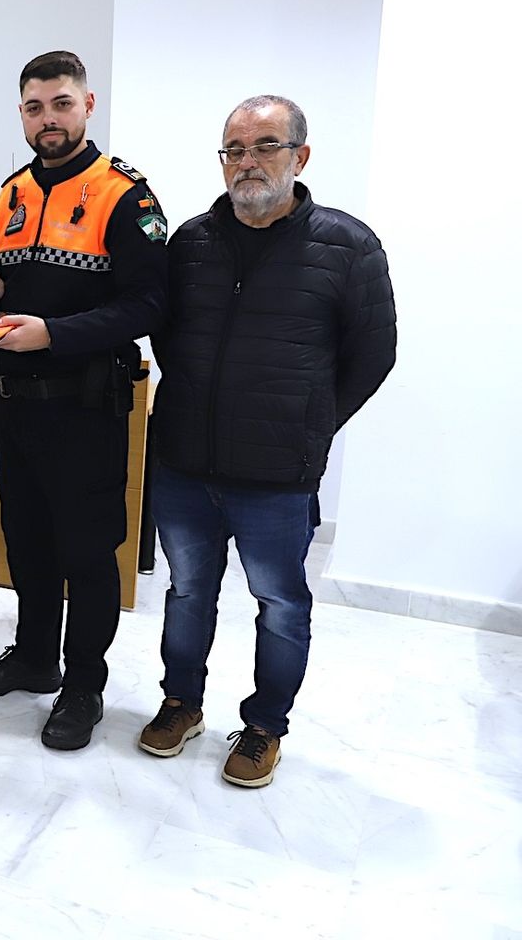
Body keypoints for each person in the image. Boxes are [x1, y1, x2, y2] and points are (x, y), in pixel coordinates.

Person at [138, 95, 395, 787]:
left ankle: (263, 727)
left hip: (278, 475)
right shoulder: (189, 243)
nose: (247, 162)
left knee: (280, 605)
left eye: (265, 146)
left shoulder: (348, 246)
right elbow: (170, 339)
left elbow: (372, 355)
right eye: (234, 149)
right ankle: (180, 702)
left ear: (300, 156)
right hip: (186, 462)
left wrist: (310, 422)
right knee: (188, 592)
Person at [0, 50, 167, 752]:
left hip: (85, 409)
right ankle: (34, 658)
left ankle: (84, 686)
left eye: (62, 104)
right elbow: (6, 293)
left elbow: (151, 303)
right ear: (23, 113)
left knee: (86, 551)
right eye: (36, 107)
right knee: (28, 543)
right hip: (15, 408)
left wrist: (57, 334)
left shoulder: (125, 195)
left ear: (88, 106)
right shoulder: (13, 192)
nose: (49, 119)